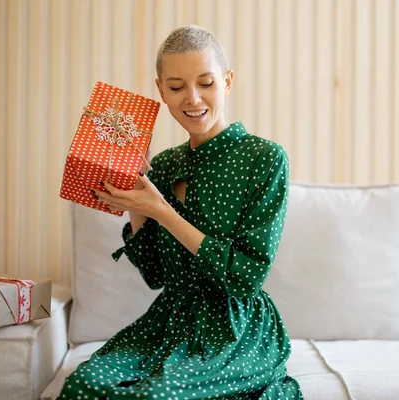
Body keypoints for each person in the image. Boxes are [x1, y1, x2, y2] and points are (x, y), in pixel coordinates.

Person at [58, 25, 303, 400]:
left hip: (235, 329)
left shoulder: (265, 159)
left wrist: (162, 212)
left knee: (152, 397)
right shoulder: (166, 165)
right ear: (161, 90)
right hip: (168, 323)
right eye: (176, 87)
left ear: (227, 81)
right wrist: (137, 199)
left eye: (206, 83)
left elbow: (246, 278)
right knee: (82, 386)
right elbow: (155, 276)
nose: (193, 98)